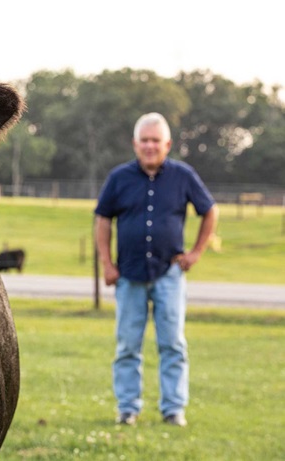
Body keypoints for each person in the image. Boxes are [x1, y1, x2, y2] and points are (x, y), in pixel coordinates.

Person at [94, 112, 218, 427]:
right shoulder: (119, 178)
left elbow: (210, 211)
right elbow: (103, 220)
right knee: (127, 346)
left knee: (173, 344)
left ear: (168, 144)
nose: (150, 146)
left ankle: (174, 409)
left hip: (169, 274)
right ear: (135, 144)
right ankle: (127, 409)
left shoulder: (184, 176)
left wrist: (196, 252)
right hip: (129, 275)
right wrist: (107, 264)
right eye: (144, 140)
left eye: (156, 141)